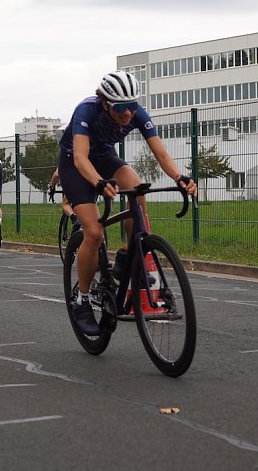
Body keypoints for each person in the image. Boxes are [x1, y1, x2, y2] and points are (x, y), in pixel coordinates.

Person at [57, 70, 197, 336]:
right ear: (106, 103)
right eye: (121, 108)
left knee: (136, 185)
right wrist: (99, 182)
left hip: (105, 157)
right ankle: (82, 300)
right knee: (95, 232)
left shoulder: (137, 113)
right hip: (75, 164)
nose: (127, 114)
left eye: (132, 106)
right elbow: (80, 158)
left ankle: (132, 253)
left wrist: (179, 177)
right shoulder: (87, 111)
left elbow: (161, 153)